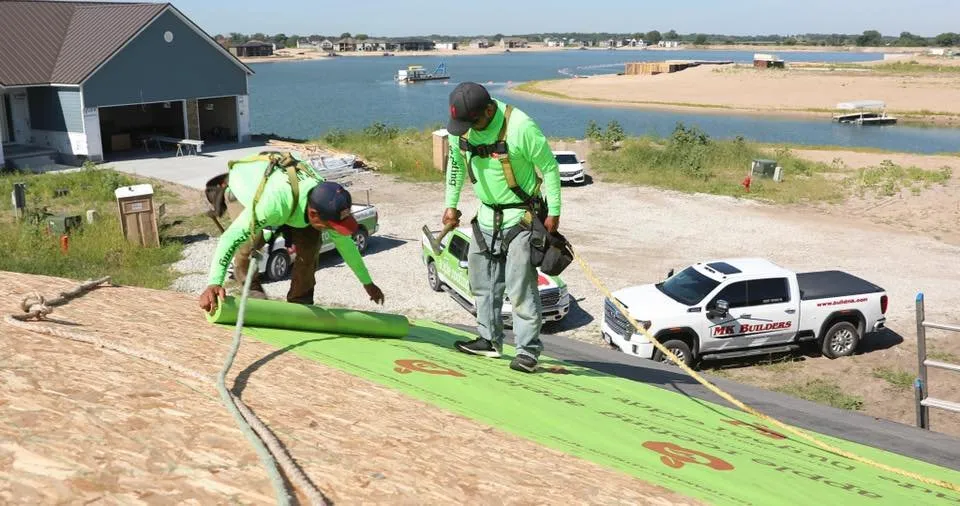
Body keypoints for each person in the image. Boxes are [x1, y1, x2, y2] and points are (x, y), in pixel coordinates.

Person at [442, 82, 562, 373]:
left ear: (488, 110)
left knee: (520, 287)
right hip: (485, 217)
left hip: (521, 218)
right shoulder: (462, 129)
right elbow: (456, 165)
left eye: (473, 122)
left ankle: (528, 352)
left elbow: (549, 168)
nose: (467, 129)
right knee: (483, 284)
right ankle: (488, 340)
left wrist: (554, 213)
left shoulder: (521, 127)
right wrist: (450, 204)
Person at [199, 151, 384, 312]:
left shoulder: (327, 205)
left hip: (293, 202)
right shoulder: (275, 203)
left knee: (311, 245)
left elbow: (346, 246)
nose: (332, 229)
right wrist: (214, 283)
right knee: (248, 245)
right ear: (313, 214)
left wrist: (367, 282)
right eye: (330, 225)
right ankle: (252, 289)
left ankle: (300, 303)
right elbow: (229, 239)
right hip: (247, 187)